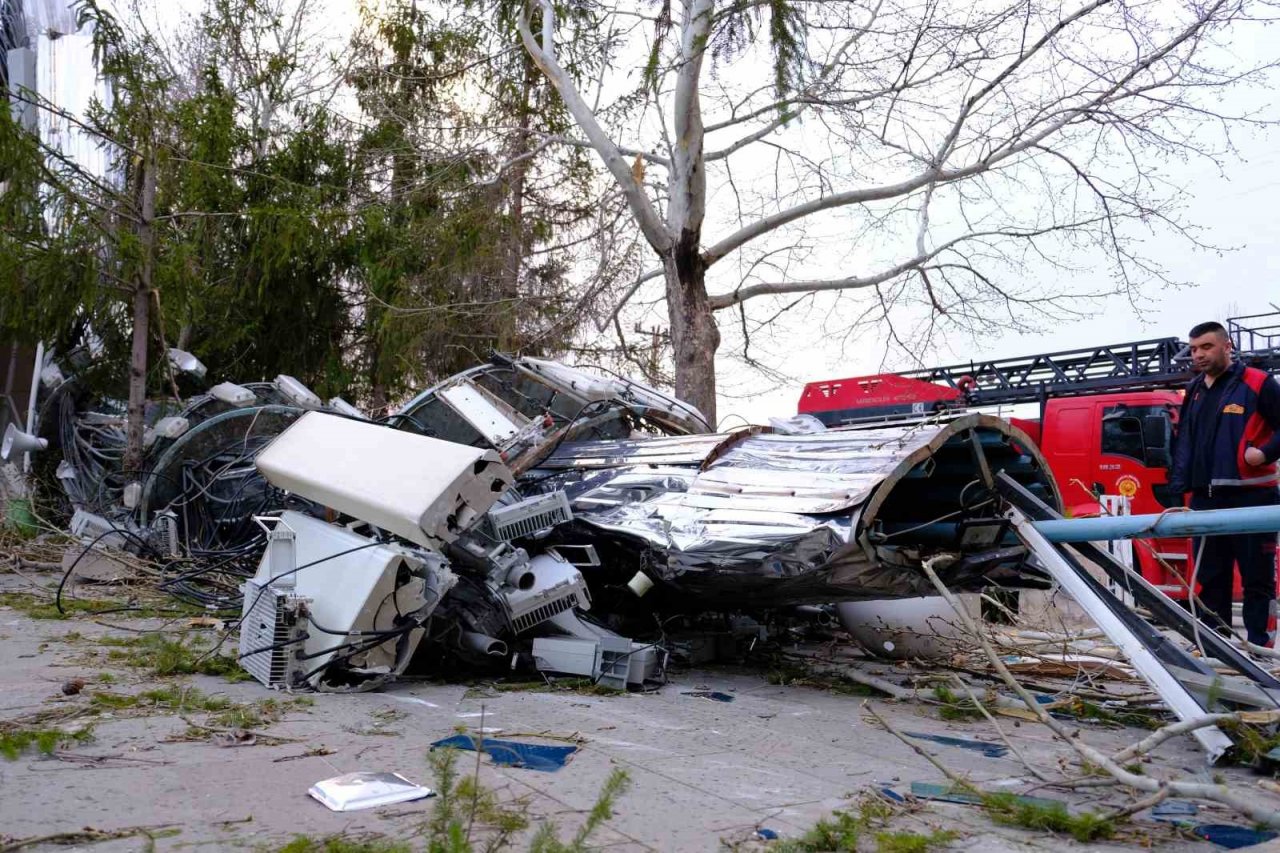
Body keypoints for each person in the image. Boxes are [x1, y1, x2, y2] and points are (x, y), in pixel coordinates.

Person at [1168, 321, 1280, 646]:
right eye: (1194, 349)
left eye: (1206, 346)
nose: (1198, 355)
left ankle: (1260, 653)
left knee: (1257, 581)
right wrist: (1178, 489)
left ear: (1227, 346)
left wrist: (1264, 453)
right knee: (1210, 580)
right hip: (1205, 500)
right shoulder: (1194, 390)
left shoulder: (1258, 382)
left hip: (1253, 499)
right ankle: (1217, 651)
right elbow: (1185, 442)